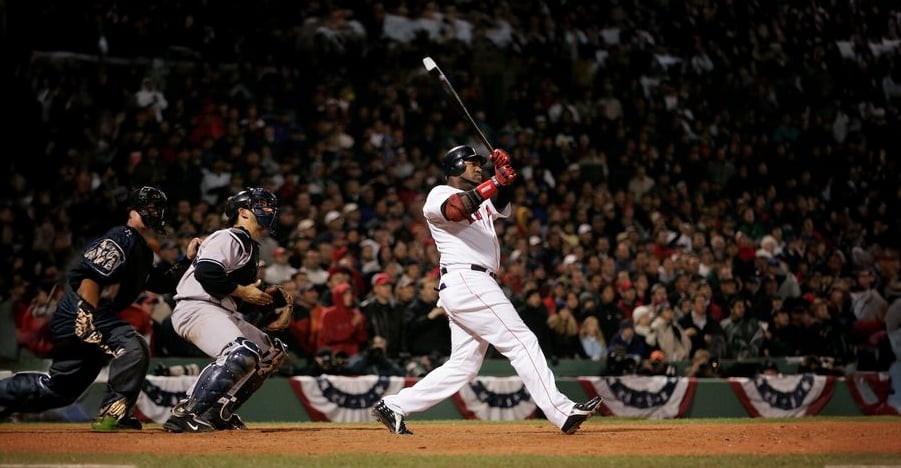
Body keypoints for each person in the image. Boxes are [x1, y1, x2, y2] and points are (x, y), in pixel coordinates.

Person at [371, 145, 601, 435]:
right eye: (472, 163)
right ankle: (562, 410)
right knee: (521, 341)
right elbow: (456, 210)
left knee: (463, 366)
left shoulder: (481, 197)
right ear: (454, 167)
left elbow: (501, 203)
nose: (479, 167)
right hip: (468, 279)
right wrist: (495, 181)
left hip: (469, 283)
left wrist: (504, 178)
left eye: (481, 163)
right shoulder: (439, 195)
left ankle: (393, 405)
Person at [0, 187, 200, 431]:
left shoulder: (142, 249)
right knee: (132, 347)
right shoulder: (122, 235)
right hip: (83, 312)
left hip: (88, 316)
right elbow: (90, 275)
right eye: (150, 206)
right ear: (133, 210)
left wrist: (188, 259)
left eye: (159, 207)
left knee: (58, 390)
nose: (156, 212)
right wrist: (86, 314)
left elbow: (162, 283)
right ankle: (112, 413)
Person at [162, 187, 290, 433]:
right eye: (261, 205)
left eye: (269, 205)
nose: (269, 210)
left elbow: (232, 295)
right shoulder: (229, 237)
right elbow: (207, 273)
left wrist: (263, 302)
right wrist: (243, 291)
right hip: (195, 306)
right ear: (242, 212)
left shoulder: (250, 246)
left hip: (219, 309)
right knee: (241, 351)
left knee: (271, 352)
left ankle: (216, 411)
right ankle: (187, 412)